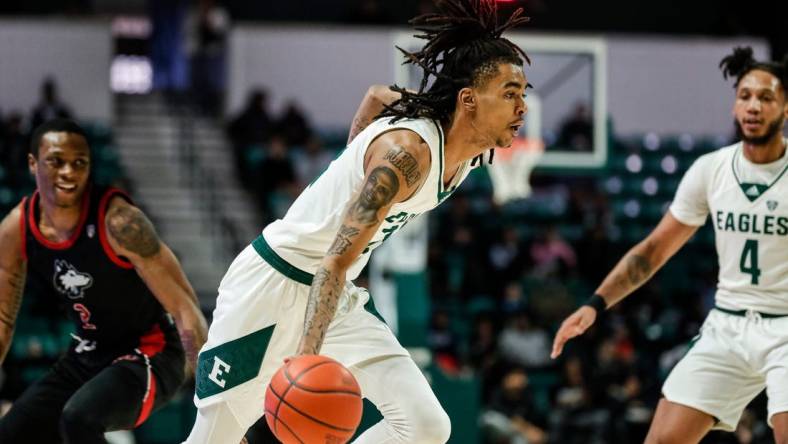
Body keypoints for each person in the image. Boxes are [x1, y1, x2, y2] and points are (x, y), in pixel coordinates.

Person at [184, 1, 531, 442]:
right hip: (272, 289)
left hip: (332, 295)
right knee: (213, 438)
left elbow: (375, 95)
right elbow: (331, 261)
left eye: (523, 93)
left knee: (426, 426)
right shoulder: (406, 156)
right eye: (509, 93)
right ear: (468, 100)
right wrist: (306, 355)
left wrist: (349, 160)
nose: (522, 107)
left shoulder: (469, 154)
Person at [551, 47, 788, 444]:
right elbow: (652, 252)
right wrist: (595, 304)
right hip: (728, 325)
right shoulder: (710, 169)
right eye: (745, 96)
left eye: (766, 97)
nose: (753, 106)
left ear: (785, 108)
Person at [0, 119, 208, 443]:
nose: (68, 171)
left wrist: (213, 396)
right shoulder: (17, 228)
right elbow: (2, 319)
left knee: (79, 418)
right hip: (87, 354)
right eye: (56, 161)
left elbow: (184, 307)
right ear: (32, 164)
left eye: (79, 162)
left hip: (151, 353)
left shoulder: (120, 222)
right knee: (11, 434)